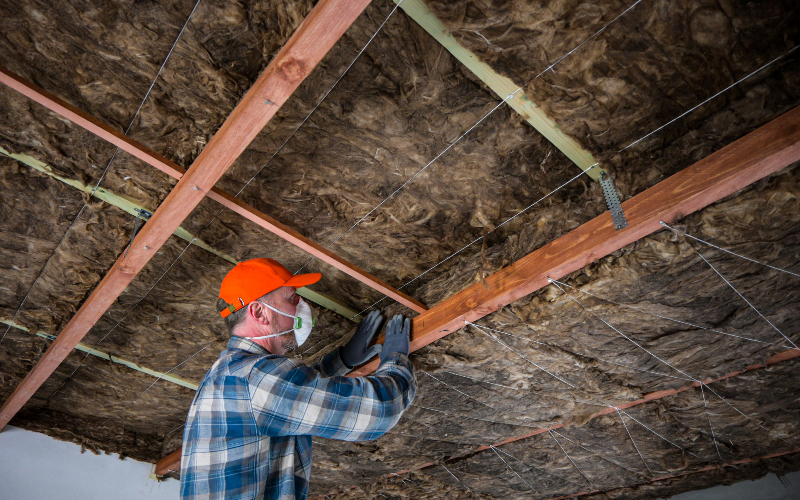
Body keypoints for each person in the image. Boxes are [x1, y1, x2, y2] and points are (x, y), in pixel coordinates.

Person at [180, 258, 416, 500]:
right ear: (259, 312)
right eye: (292, 298)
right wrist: (396, 360)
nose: (300, 306)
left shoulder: (231, 374)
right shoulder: (255, 378)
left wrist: (343, 360)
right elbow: (377, 412)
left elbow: (292, 395)